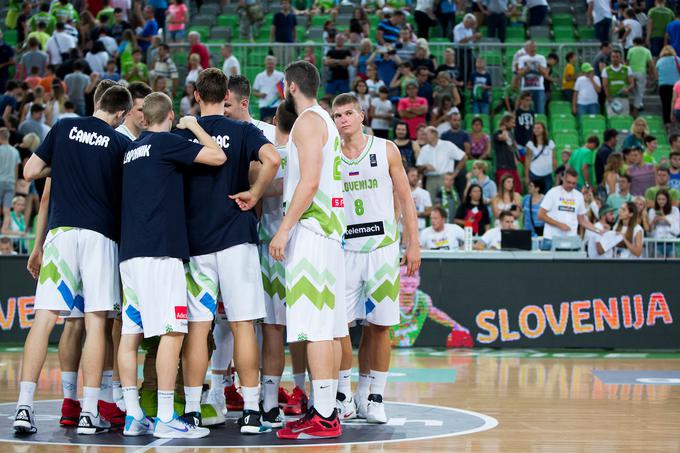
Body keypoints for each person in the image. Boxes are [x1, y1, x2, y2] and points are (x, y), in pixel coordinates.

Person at [14, 85, 133, 436]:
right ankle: (90, 411)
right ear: (122, 115)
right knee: (97, 323)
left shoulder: (64, 128)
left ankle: (24, 407)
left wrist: (64, 164)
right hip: (100, 237)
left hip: (61, 233)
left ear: (95, 103)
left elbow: (30, 172)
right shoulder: (120, 144)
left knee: (44, 320)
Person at [172, 69, 280, 432]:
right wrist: (255, 192)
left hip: (197, 242)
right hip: (237, 239)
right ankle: (251, 411)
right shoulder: (244, 129)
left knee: (198, 328)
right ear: (227, 97)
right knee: (243, 326)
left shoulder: (184, 133)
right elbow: (274, 161)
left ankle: (190, 409)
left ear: (196, 96)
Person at [116, 92, 225, 439]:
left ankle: (133, 415)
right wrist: (193, 125)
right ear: (170, 116)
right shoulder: (164, 143)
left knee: (130, 334)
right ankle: (165, 415)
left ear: (143, 118)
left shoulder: (131, 150)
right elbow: (217, 156)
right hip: (160, 253)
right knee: (173, 331)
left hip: (130, 254)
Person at [268, 61, 347, 439]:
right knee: (328, 329)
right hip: (328, 232)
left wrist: (284, 230)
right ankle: (326, 409)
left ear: (290, 87)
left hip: (312, 231)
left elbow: (310, 181)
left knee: (315, 329)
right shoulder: (325, 120)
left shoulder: (309, 122)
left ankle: (325, 415)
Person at [332, 92, 420, 424]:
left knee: (380, 326)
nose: (343, 120)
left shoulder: (385, 149)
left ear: (362, 116)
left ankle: (374, 396)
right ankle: (342, 395)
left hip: (382, 249)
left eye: (348, 113)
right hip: (344, 250)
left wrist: (414, 243)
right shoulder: (330, 156)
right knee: (339, 327)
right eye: (337, 115)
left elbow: (406, 199)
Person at [538, 168, 602, 248]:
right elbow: (540, 215)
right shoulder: (553, 192)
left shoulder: (579, 196)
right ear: (563, 179)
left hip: (570, 239)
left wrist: (598, 230)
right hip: (551, 238)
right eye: (568, 182)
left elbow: (582, 220)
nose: (571, 185)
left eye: (574, 183)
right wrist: (559, 225)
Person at [417, 126, 466, 203]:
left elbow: (463, 157)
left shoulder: (447, 145)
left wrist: (454, 174)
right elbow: (418, 168)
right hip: (430, 179)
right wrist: (425, 166)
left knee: (447, 203)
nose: (424, 137)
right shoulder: (424, 149)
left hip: (445, 178)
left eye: (426, 134)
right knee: (430, 203)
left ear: (434, 134)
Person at [627, 37, 656, 116]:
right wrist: (651, 74)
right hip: (641, 72)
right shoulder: (647, 51)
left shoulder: (631, 50)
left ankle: (635, 106)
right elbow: (651, 64)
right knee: (640, 92)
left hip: (631, 72)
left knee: (633, 90)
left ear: (634, 42)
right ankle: (635, 109)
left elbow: (627, 62)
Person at [517, 41, 548, 115]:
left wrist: (539, 68)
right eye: (531, 47)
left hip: (539, 88)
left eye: (534, 47)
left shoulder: (541, 58)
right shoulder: (522, 59)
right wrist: (527, 68)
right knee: (525, 110)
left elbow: (545, 74)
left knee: (540, 110)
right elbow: (520, 74)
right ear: (527, 48)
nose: (533, 48)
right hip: (526, 88)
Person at [493, 113, 521, 193]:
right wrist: (503, 129)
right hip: (503, 167)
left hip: (512, 167)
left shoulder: (511, 134)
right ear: (506, 122)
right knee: (504, 191)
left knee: (516, 191)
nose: (514, 125)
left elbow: (512, 147)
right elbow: (504, 138)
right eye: (512, 123)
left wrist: (516, 158)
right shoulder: (497, 133)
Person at [648, 188, 680, 257]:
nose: (661, 201)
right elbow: (649, 232)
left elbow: (677, 231)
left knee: (672, 267)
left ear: (667, 200)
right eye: (659, 199)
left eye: (663, 199)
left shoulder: (675, 210)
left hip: (671, 243)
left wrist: (665, 219)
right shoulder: (652, 211)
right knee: (658, 267)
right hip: (657, 244)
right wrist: (654, 221)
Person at [602, 49, 634, 117]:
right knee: (612, 119)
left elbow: (632, 84)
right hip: (611, 99)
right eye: (613, 57)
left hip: (623, 98)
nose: (615, 59)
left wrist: (627, 89)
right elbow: (605, 86)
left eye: (617, 57)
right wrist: (608, 97)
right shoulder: (606, 70)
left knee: (624, 119)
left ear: (620, 58)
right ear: (610, 58)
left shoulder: (627, 69)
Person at [524, 122, 556, 191]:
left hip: (547, 174)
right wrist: (527, 177)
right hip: (535, 174)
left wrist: (556, 174)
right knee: (535, 195)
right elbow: (527, 161)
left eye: (538, 128)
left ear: (543, 130)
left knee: (547, 196)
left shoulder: (550, 143)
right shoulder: (530, 144)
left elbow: (554, 159)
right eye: (534, 128)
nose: (536, 130)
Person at [0, 127, 21, 226]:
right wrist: (15, 184)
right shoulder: (15, 151)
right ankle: (5, 229)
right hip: (11, 182)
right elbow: (16, 170)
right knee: (7, 210)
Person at [253, 56, 284, 121]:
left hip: (277, 106)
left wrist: (281, 94)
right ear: (265, 63)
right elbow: (254, 91)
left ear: (275, 63)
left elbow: (285, 90)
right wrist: (260, 94)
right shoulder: (259, 76)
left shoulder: (281, 75)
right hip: (264, 106)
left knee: (276, 126)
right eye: (269, 63)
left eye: (272, 63)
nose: (270, 65)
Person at [656, 46, 680, 127]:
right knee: (675, 104)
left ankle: (667, 123)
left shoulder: (659, 61)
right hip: (676, 86)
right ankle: (676, 120)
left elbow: (657, 74)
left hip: (663, 85)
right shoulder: (678, 59)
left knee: (665, 105)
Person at [407, 166, 432, 231]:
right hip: (402, 228)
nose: (415, 178)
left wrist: (416, 213)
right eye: (412, 176)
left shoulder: (424, 193)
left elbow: (429, 211)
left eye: (416, 176)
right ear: (406, 176)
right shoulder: (399, 193)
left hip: (419, 227)